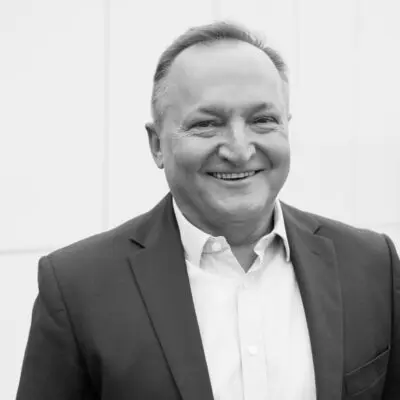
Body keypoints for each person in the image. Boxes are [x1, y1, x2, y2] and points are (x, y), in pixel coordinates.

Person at [17, 21, 399, 400]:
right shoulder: (79, 290)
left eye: (263, 120)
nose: (239, 150)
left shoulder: (372, 266)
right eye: (207, 124)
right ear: (156, 145)